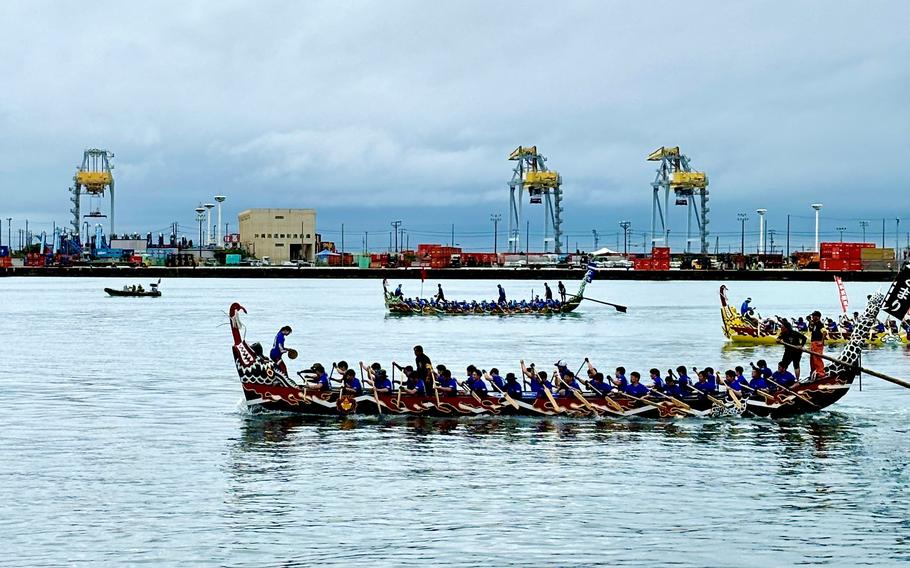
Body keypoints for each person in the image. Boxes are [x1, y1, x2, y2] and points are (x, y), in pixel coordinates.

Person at [809, 310, 826, 378]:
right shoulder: (815, 324)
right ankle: (813, 371)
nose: (812, 317)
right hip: (813, 343)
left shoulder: (820, 324)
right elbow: (811, 330)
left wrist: (822, 341)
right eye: (812, 316)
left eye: (813, 316)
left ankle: (820, 373)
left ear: (817, 317)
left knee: (817, 358)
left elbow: (824, 332)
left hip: (817, 343)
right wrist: (810, 323)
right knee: (812, 359)